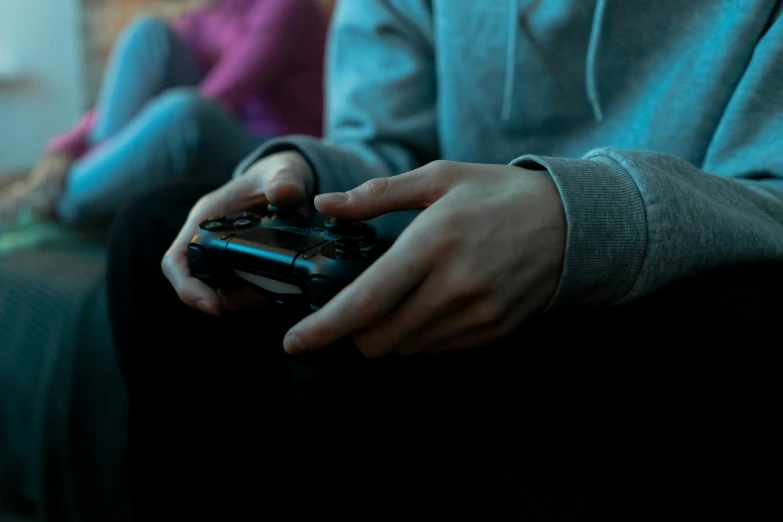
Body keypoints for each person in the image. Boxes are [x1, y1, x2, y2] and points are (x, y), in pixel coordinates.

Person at [110, 1, 783, 520]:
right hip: (436, 287)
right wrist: (305, 173)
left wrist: (576, 215)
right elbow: (383, 148)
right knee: (160, 230)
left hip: (654, 303)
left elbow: (768, 197)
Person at [0, 0, 327, 230]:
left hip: (277, 152)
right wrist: (64, 148)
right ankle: (73, 180)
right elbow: (128, 93)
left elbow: (217, 99)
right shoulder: (211, 15)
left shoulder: (289, 8)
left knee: (184, 111)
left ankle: (67, 199)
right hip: (222, 126)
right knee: (149, 34)